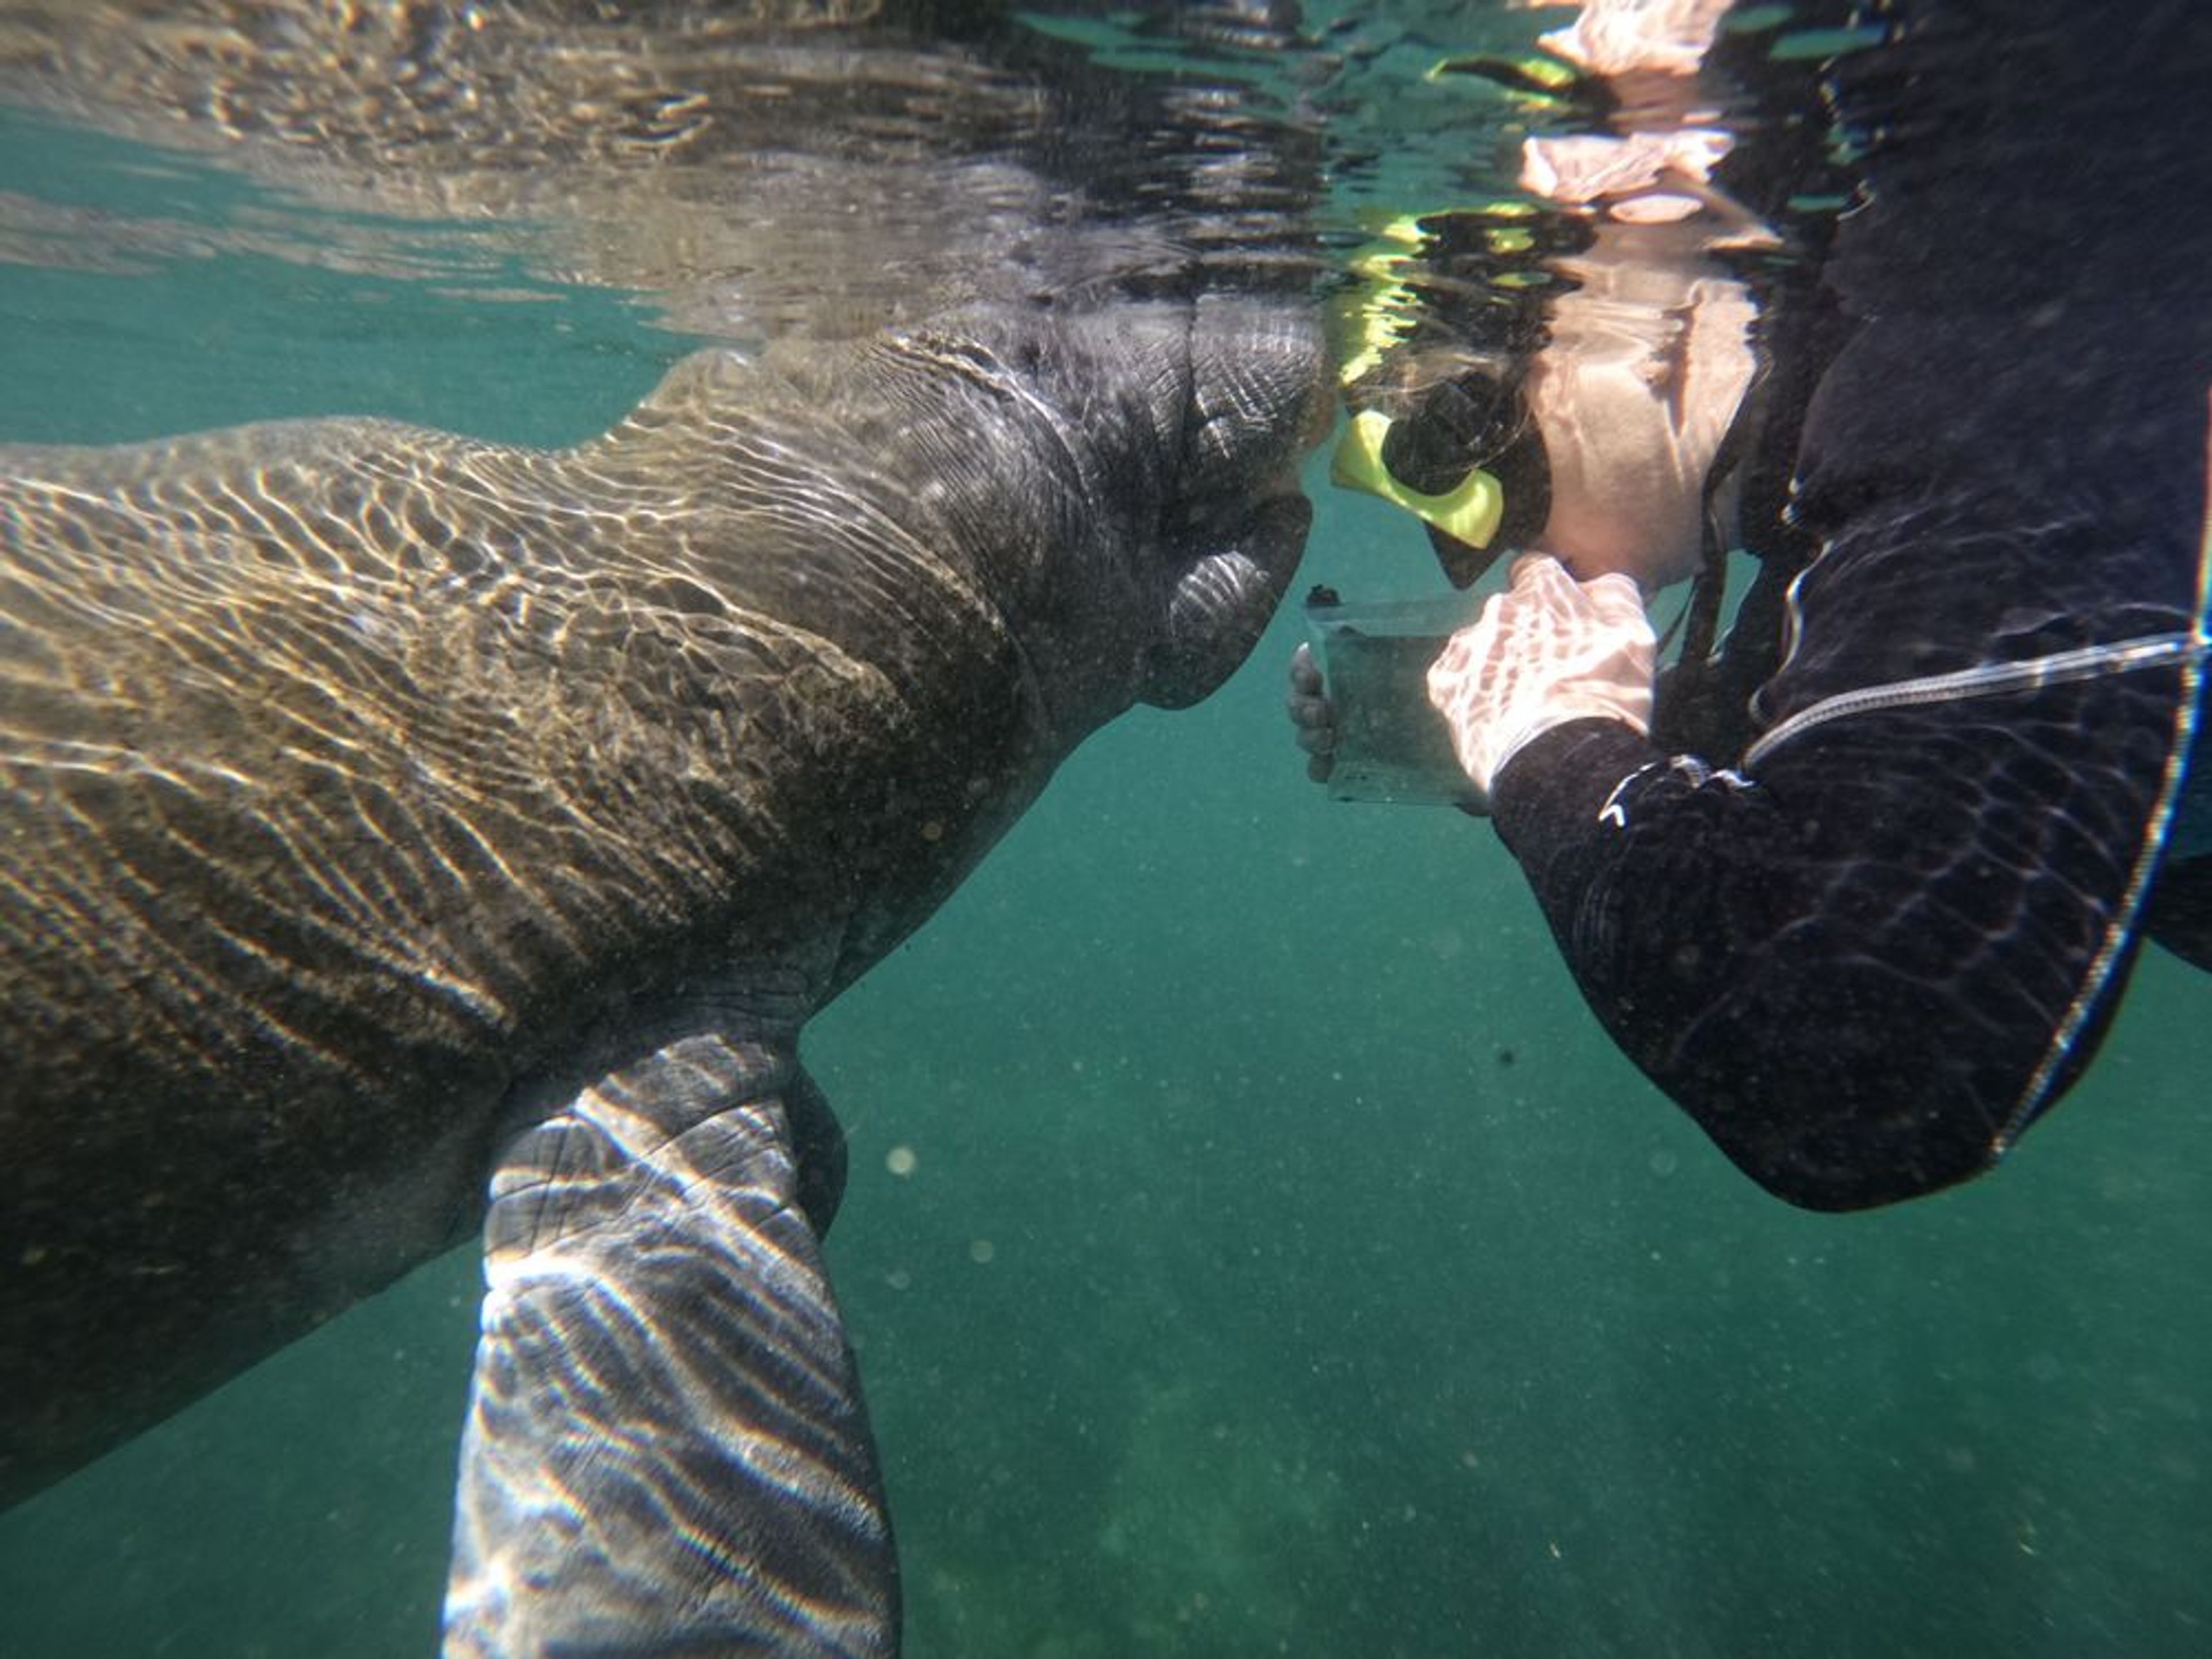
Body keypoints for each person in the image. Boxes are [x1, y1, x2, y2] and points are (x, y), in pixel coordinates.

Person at [1292, 0, 2212, 1210]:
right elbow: (1883, 777)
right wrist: (1565, 742)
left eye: (1475, 454)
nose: (1501, 548)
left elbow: (1864, 1062)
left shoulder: (1978, 325)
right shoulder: (1897, 426)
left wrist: (1553, 750)